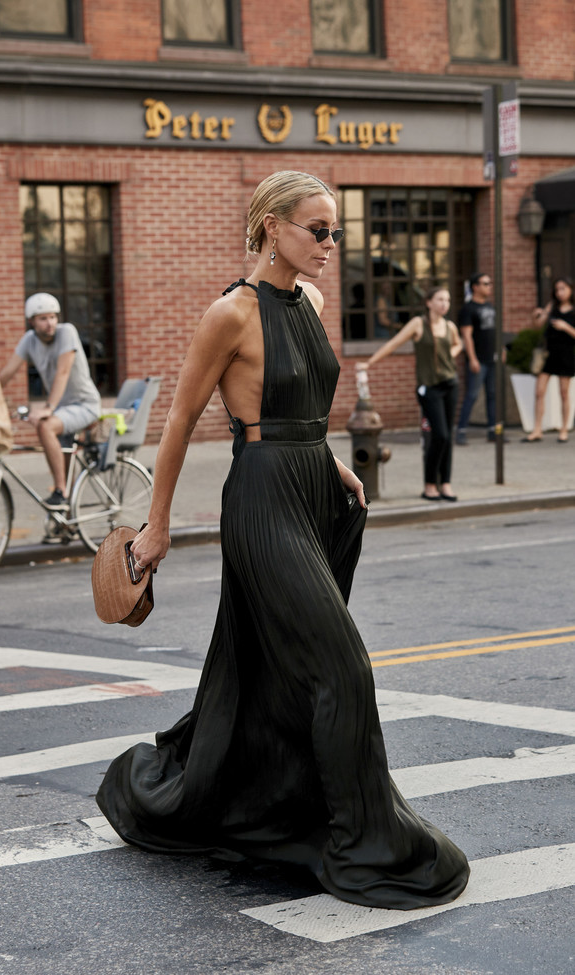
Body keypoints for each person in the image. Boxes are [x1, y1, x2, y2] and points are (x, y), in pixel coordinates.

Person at [96, 171, 470, 910]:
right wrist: (159, 524)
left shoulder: (314, 302)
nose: (331, 244)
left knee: (281, 670)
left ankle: (276, 806)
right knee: (341, 668)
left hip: (311, 491)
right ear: (272, 225)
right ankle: (362, 841)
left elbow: (298, 404)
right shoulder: (229, 314)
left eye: (336, 231)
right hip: (263, 502)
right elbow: (180, 423)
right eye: (318, 229)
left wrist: (331, 460)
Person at [357, 287, 463, 501]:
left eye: (448, 300)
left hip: (450, 384)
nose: (445, 303)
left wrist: (451, 353)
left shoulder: (450, 326)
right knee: (439, 434)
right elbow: (394, 343)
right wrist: (369, 363)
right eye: (440, 299)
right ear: (429, 302)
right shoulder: (418, 324)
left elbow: (458, 343)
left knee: (447, 436)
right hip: (428, 387)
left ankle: (446, 484)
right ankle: (430, 484)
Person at [0, 293, 101, 508]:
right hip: (62, 411)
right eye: (43, 319)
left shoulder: (67, 332)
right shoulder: (29, 340)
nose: (49, 323)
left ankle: (60, 491)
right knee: (64, 459)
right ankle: (67, 521)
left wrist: (48, 408)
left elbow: (63, 372)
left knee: (45, 427)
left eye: (53, 317)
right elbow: (7, 374)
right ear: (31, 321)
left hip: (85, 404)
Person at [524, 277, 575, 443]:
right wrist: (535, 316)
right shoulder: (552, 306)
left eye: (563, 289)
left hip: (567, 353)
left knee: (564, 393)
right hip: (549, 353)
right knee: (539, 391)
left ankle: (564, 429)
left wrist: (565, 326)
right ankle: (537, 429)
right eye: (557, 289)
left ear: (571, 290)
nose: (560, 292)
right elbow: (538, 326)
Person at [455, 272, 496, 445]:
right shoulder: (468, 309)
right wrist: (472, 359)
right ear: (475, 287)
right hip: (478, 359)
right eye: (485, 283)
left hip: (492, 358)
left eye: (490, 283)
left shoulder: (490, 306)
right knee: (472, 395)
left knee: (492, 395)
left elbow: (494, 331)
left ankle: (493, 431)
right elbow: (467, 336)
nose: (489, 286)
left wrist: (500, 348)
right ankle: (461, 431)